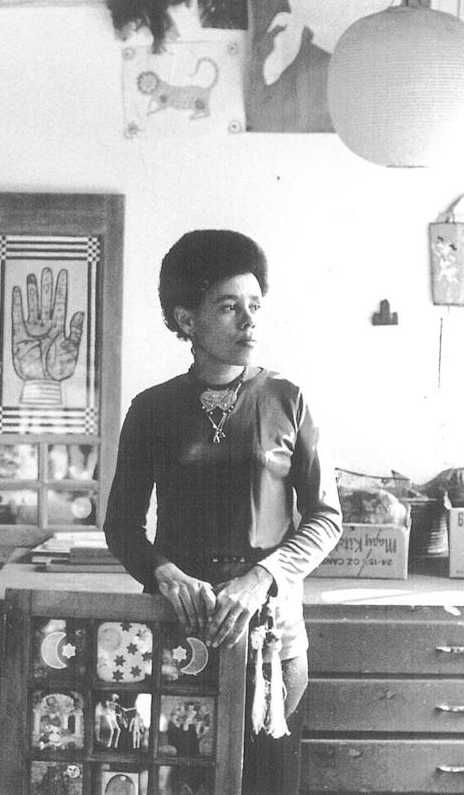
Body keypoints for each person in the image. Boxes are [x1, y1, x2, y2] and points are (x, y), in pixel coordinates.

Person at [102, 229, 342, 795]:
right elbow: (121, 525)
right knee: (175, 779)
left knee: (263, 780)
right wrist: (165, 576)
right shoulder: (152, 409)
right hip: (175, 625)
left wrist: (261, 578)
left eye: (255, 306)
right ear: (187, 321)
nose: (249, 322)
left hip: (270, 631)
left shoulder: (289, 400)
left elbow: (326, 517)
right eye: (230, 307)